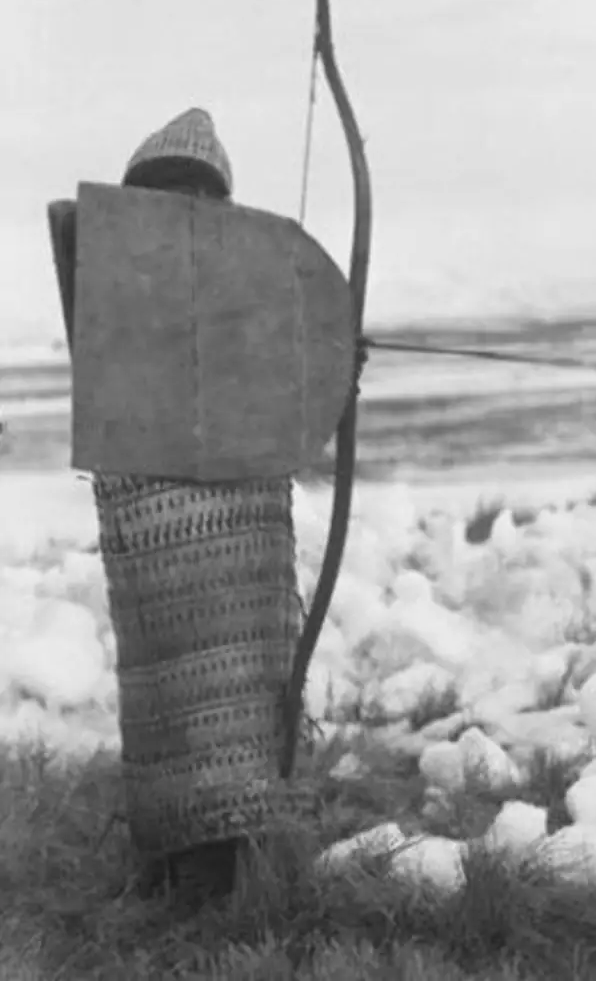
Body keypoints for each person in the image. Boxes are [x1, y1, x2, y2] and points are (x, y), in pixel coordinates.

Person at [55, 108, 362, 906]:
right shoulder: (119, 275)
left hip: (241, 536)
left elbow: (294, 374)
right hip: (151, 527)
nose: (181, 208)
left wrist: (335, 352)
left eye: (191, 194)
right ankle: (187, 868)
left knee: (244, 713)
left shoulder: (243, 282)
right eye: (168, 193)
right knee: (170, 709)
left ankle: (235, 868)